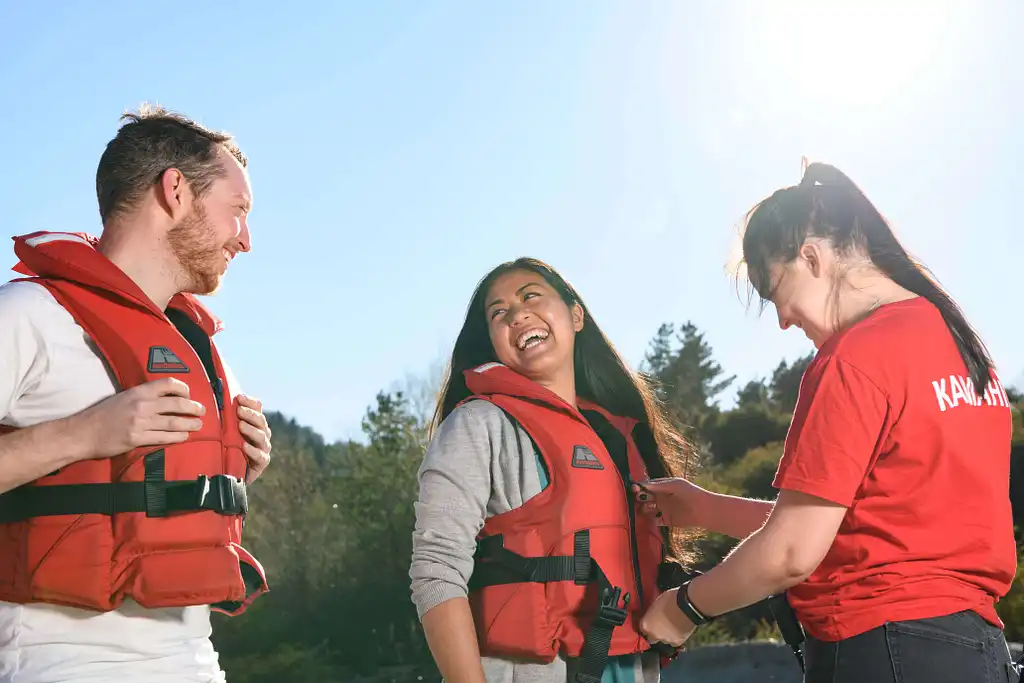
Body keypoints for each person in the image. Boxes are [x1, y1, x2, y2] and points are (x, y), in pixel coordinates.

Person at [635, 162, 1019, 683]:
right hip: (976, 651)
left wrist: (681, 610)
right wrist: (705, 508)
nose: (783, 320)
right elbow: (861, 524)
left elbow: (792, 552)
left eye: (775, 294)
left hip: (882, 647)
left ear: (811, 258)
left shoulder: (856, 357)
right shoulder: (961, 349)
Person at [0, 105, 273, 683]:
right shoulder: (28, 314)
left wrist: (238, 466)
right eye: (238, 211)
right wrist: (83, 434)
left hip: (194, 660)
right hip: (57, 662)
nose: (245, 240)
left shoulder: (205, 350)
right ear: (175, 191)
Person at [409, 257, 698, 683]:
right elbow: (436, 568)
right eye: (499, 312)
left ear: (575, 315)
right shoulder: (477, 425)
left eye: (531, 296)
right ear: (493, 342)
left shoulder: (623, 439)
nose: (518, 313)